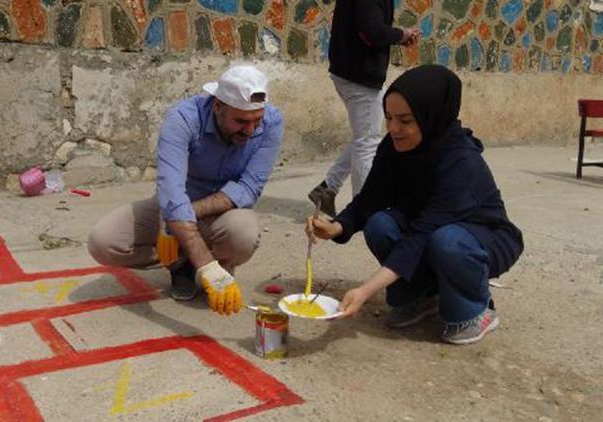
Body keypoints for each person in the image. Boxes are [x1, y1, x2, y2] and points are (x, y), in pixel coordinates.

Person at [305, 65, 523, 344]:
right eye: (389, 118)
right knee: (380, 224)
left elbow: (421, 234)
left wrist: (365, 290)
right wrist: (336, 227)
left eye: (405, 120)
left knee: (447, 241)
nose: (394, 128)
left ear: (431, 117)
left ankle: (475, 309)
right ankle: (421, 296)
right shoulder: (393, 146)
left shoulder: (461, 163)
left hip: (478, 239)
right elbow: (370, 198)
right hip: (428, 231)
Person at [88, 65, 284, 316]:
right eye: (241, 121)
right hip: (176, 201)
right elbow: (171, 192)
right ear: (218, 107)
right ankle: (184, 264)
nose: (250, 130)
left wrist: (181, 217)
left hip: (224, 213)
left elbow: (249, 187)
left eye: (256, 121)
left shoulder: (272, 121)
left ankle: (215, 266)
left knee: (243, 234)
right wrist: (203, 262)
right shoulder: (183, 119)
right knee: (103, 242)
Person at [308, 0, 421, 217]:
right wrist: (401, 34)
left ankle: (327, 190)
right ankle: (364, 208)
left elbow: (370, 30)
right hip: (358, 76)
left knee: (365, 136)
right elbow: (372, 33)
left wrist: (398, 37)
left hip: (354, 74)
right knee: (367, 141)